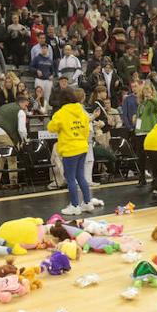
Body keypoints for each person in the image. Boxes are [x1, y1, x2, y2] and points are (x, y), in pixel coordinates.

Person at [47, 87, 93, 216]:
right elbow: (86, 131)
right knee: (81, 176)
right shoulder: (82, 111)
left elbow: (51, 128)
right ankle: (87, 203)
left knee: (70, 178)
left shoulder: (61, 113)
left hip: (69, 149)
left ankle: (74, 205)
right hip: (82, 147)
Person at [0, 92, 28, 188]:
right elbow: (21, 130)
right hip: (1, 132)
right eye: (26, 103)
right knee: (12, 156)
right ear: (22, 102)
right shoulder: (20, 111)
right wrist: (25, 141)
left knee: (1, 156)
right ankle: (13, 182)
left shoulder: (4, 106)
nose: (27, 106)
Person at [133, 80, 157, 188]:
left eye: (148, 90)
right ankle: (142, 177)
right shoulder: (141, 104)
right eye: (145, 90)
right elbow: (140, 117)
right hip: (139, 132)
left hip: (149, 132)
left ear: (152, 91)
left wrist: (151, 97)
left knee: (152, 157)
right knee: (141, 157)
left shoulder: (153, 102)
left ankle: (155, 178)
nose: (146, 92)